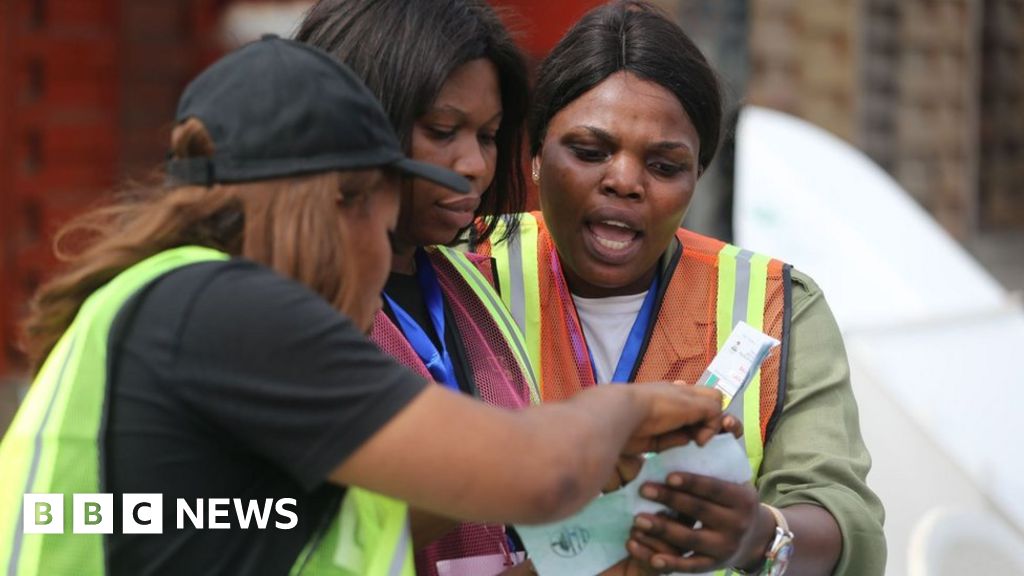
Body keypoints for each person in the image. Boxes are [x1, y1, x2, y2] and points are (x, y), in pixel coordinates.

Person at [0, 36, 737, 575]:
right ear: (340, 204)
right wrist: (626, 412)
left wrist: (597, 465)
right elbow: (537, 473)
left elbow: (326, 525)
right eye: (384, 232)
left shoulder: (171, 304)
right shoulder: (231, 309)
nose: (385, 264)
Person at [476, 2, 886, 574]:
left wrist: (757, 535)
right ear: (537, 154)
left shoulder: (776, 305)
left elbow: (847, 522)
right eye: (590, 152)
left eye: (666, 166)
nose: (623, 181)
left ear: (697, 177)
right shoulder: (462, 270)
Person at [295, 2, 539, 573]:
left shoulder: (468, 280)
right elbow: (316, 532)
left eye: (490, 135)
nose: (475, 163)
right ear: (361, 123)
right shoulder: (293, 301)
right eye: (442, 131)